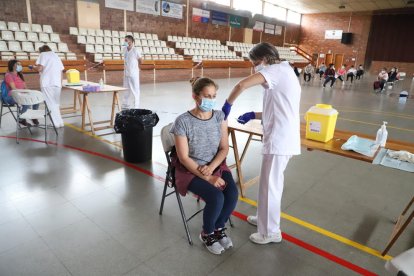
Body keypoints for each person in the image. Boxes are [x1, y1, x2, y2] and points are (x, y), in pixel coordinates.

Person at [221, 42, 301, 244]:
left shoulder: (275, 70)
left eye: (255, 62)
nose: (254, 67)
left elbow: (242, 85)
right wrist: (254, 114)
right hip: (281, 136)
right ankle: (264, 219)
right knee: (268, 183)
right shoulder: (284, 71)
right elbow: (278, 107)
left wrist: (227, 105)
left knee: (271, 185)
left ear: (264, 59)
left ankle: (271, 232)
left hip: (280, 139)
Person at [170, 77, 238, 255]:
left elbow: (224, 148)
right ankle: (207, 233)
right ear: (195, 96)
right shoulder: (182, 121)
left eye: (214, 96)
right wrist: (207, 176)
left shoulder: (219, 117)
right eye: (207, 96)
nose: (211, 100)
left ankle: (218, 228)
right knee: (216, 197)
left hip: (216, 165)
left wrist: (213, 167)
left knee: (231, 194)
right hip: (190, 170)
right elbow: (184, 158)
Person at [32, 45, 65, 128]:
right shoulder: (56, 55)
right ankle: (60, 122)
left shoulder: (43, 54)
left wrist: (33, 67)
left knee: (50, 103)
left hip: (47, 83)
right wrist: (60, 83)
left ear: (42, 50)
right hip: (57, 83)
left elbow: (40, 69)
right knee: (56, 104)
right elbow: (61, 71)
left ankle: (54, 124)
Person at [4, 59, 39, 126]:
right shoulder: (8, 75)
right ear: (12, 66)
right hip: (12, 96)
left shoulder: (20, 75)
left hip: (22, 94)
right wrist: (24, 92)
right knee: (27, 103)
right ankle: (21, 119)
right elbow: (14, 88)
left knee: (36, 100)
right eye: (18, 64)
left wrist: (31, 93)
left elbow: (25, 87)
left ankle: (34, 116)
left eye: (20, 64)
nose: (20, 66)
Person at [122, 35, 142, 109]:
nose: (125, 42)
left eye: (126, 40)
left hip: (134, 74)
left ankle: (136, 106)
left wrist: (135, 67)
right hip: (126, 73)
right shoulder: (124, 49)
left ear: (131, 41)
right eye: (125, 40)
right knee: (126, 89)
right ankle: (125, 105)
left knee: (135, 89)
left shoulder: (135, 50)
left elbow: (141, 60)